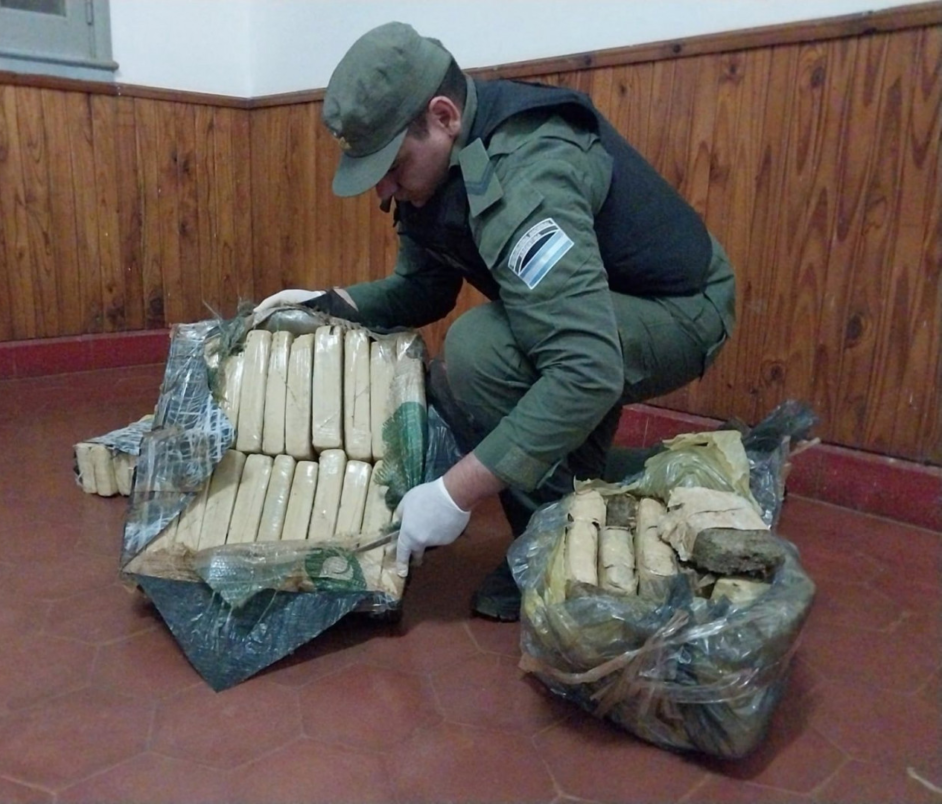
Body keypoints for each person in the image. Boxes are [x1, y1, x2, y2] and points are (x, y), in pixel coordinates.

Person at [257, 21, 736, 621]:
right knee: (524, 395)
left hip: (682, 308)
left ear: (443, 117)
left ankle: (554, 544)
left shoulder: (524, 175)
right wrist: (330, 304)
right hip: (596, 303)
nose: (383, 190)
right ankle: (681, 477)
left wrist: (453, 493)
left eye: (393, 164)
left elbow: (586, 368)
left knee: (481, 353)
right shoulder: (439, 170)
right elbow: (424, 288)